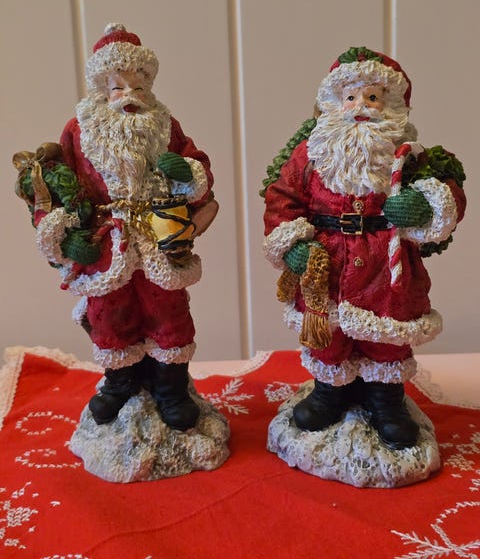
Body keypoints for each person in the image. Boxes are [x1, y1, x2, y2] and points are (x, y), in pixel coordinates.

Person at [262, 47, 466, 449]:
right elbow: (281, 197)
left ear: (390, 105)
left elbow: (451, 193)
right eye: (351, 97)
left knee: (386, 336)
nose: (360, 106)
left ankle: (386, 399)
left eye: (372, 97)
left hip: (385, 264)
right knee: (328, 333)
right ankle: (329, 392)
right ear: (334, 103)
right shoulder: (311, 154)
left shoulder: (408, 155)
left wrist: (425, 204)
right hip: (328, 262)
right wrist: (292, 245)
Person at [17, 23, 217, 431]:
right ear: (102, 89)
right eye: (118, 88)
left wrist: (186, 172)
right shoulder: (79, 130)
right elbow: (57, 189)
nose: (129, 96)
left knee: (167, 309)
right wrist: (67, 236)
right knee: (109, 311)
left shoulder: (165, 125)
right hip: (106, 240)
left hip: (160, 236)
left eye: (138, 87)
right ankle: (120, 380)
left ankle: (170, 386)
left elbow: (197, 170)